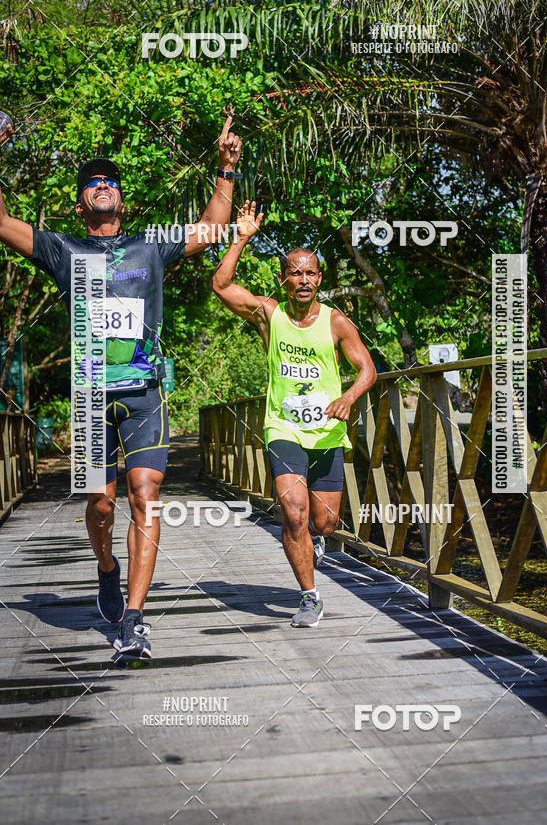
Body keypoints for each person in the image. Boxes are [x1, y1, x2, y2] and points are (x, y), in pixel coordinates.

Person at [0, 115, 242, 657]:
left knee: (145, 498)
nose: (102, 184)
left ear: (122, 201)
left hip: (144, 393)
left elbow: (208, 229)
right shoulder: (62, 250)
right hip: (89, 395)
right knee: (100, 504)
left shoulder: (149, 247)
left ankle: (134, 617)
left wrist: (227, 169)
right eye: (91, 182)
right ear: (80, 205)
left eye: (110, 180)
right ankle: (106, 567)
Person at [211, 201, 377, 627]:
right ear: (283, 279)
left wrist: (349, 398)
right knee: (294, 513)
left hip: (325, 433)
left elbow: (367, 369)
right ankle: (309, 596)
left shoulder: (336, 321)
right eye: (295, 273)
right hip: (282, 428)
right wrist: (242, 237)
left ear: (319, 279)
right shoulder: (269, 314)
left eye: (310, 273)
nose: (303, 280)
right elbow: (222, 284)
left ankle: (314, 543)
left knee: (325, 521)